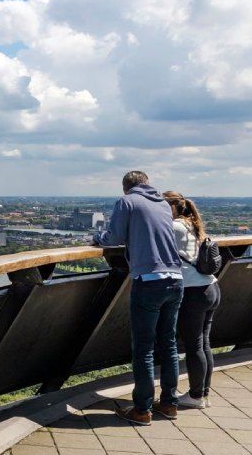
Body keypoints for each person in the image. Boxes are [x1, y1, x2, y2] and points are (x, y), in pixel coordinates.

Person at [93, 171, 183, 426]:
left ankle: (142, 410)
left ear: (126, 188)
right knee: (169, 345)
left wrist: (97, 238)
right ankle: (169, 404)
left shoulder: (127, 202)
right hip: (175, 280)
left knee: (144, 349)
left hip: (149, 281)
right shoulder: (163, 203)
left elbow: (114, 237)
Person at [164, 191, 220, 409]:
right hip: (211, 286)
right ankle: (202, 394)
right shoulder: (192, 224)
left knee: (194, 344)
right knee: (203, 343)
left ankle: (196, 397)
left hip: (193, 291)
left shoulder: (174, 227)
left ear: (173, 207)